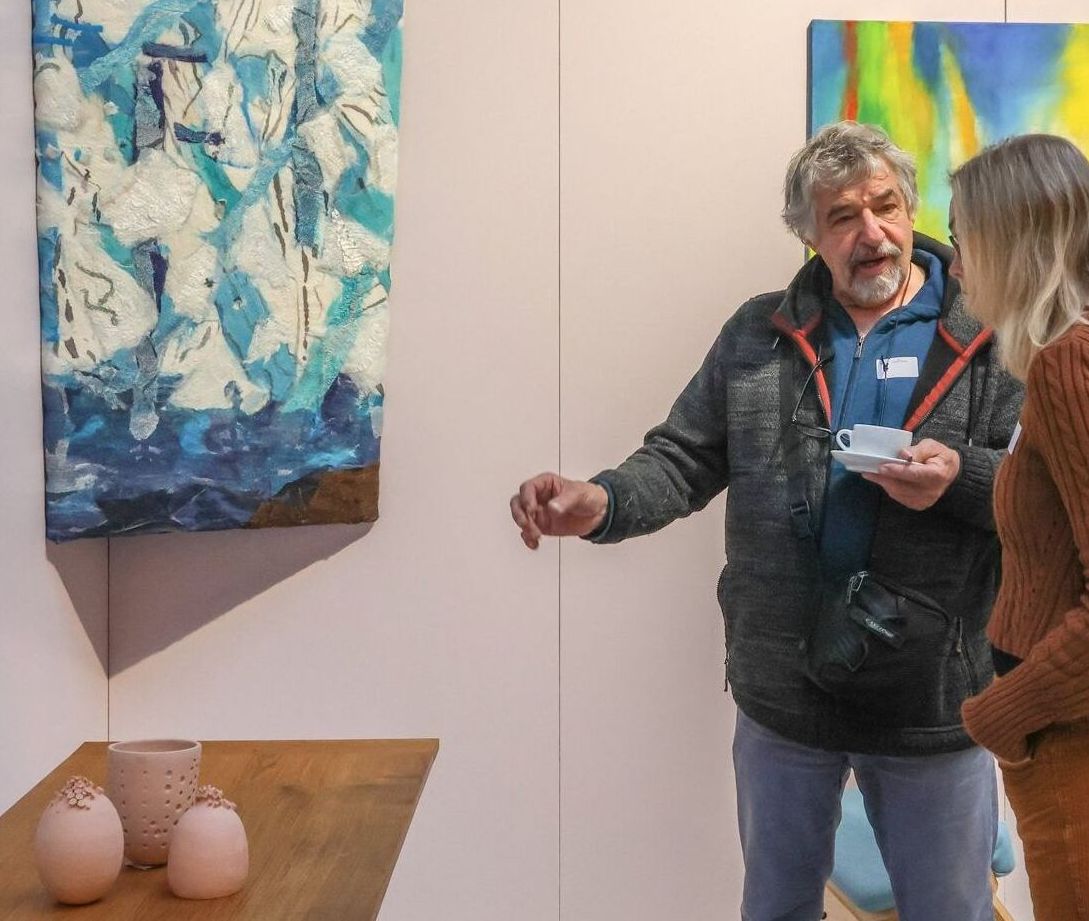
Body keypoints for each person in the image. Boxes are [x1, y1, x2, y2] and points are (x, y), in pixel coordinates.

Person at [510, 121, 1024, 921]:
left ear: (909, 208)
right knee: (776, 907)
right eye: (842, 217)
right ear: (807, 234)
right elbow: (681, 457)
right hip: (784, 690)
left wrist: (959, 478)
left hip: (932, 693)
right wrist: (602, 502)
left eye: (884, 206)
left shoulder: (988, 332)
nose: (871, 233)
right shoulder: (757, 334)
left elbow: (1038, 492)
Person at [953, 134, 1089, 920]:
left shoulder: (1067, 364)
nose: (956, 263)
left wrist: (1003, 712)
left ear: (1013, 241)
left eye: (964, 235)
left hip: (1064, 737)